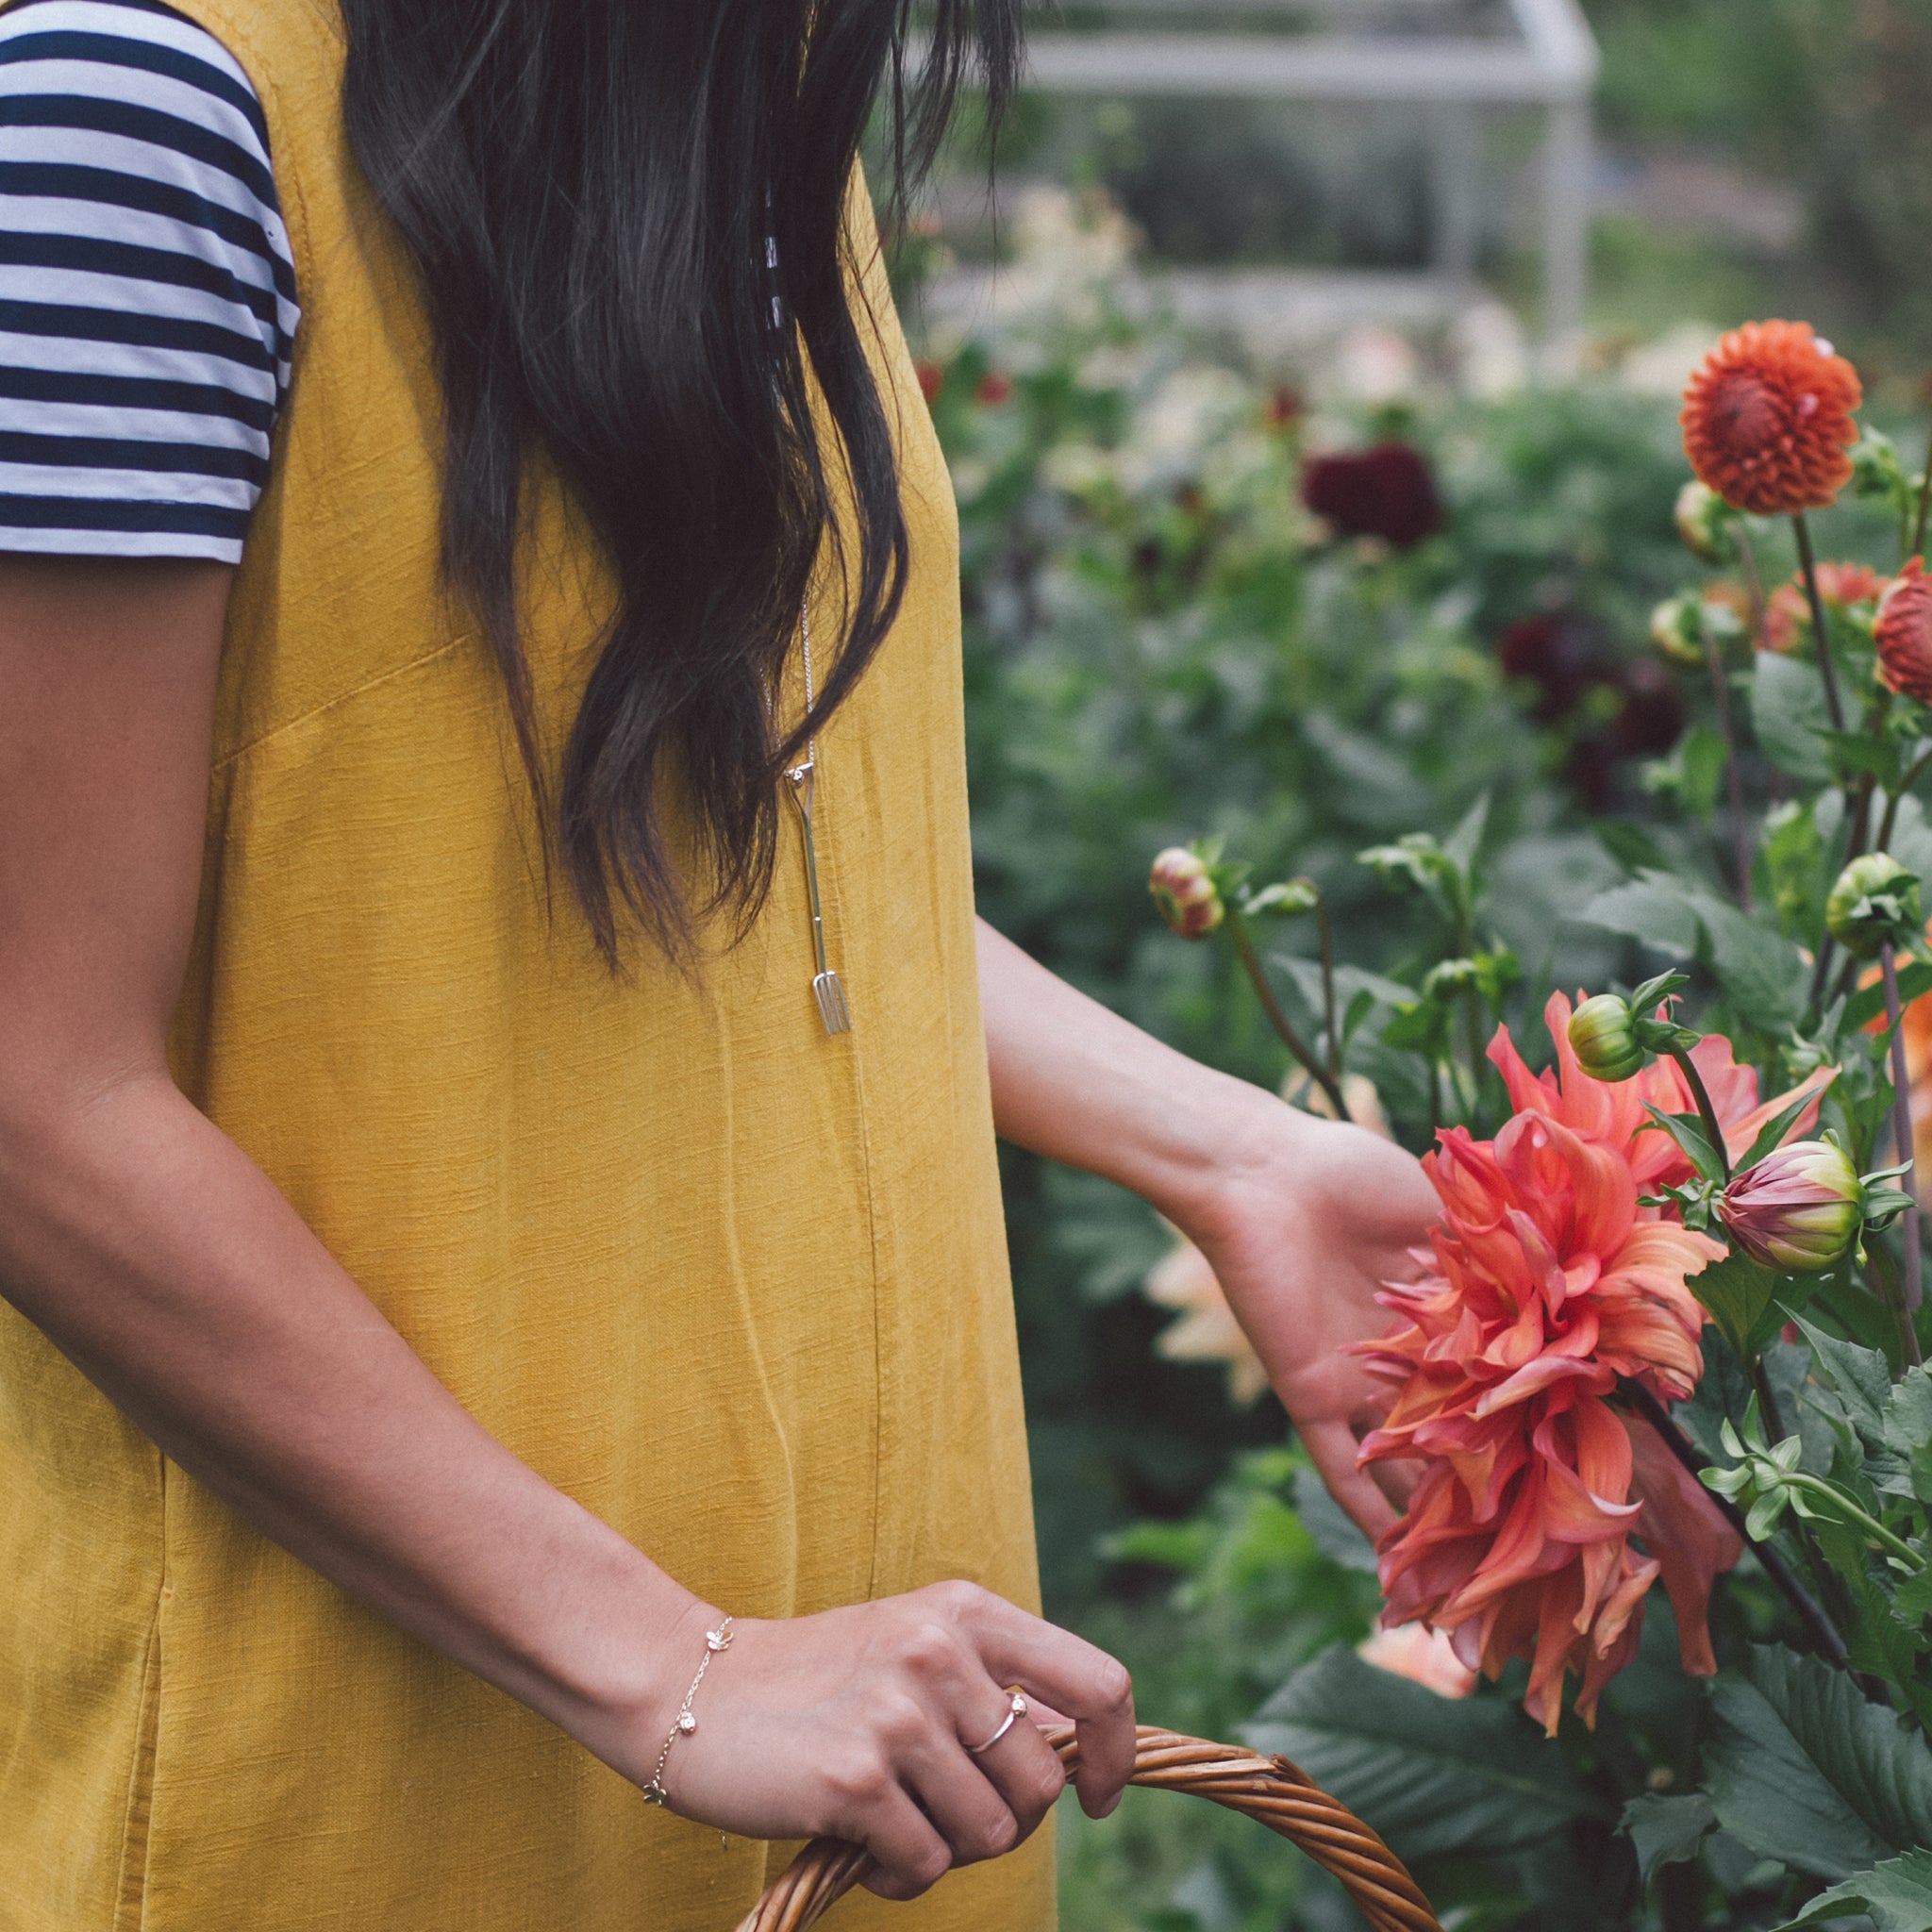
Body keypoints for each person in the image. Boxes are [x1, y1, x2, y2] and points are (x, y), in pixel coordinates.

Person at [0, 1, 1438, 1926]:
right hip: (391, 1772)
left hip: (877, 1746)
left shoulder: (729, 100)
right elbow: (35, 1089)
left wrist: (1228, 1153)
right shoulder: (137, 119)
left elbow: (749, 847)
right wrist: (676, 1662)